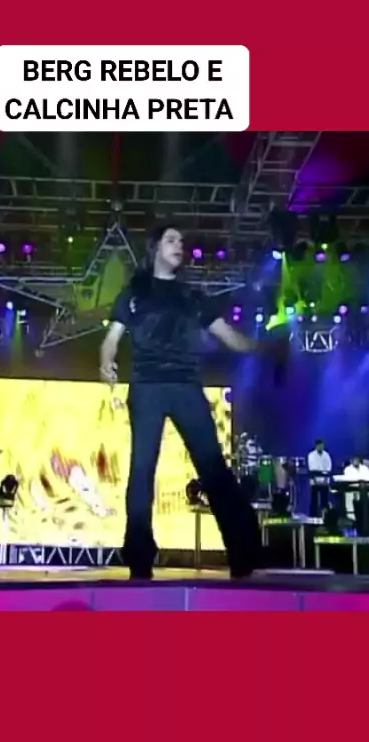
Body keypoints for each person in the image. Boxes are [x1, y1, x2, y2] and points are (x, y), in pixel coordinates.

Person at [99, 223, 288, 580]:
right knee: (142, 470)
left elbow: (231, 338)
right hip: (147, 386)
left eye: (181, 241)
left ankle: (244, 554)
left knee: (213, 468)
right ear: (155, 249)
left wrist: (264, 348)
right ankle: (139, 558)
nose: (179, 245)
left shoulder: (192, 296)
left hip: (186, 386)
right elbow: (111, 339)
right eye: (171, 240)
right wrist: (105, 362)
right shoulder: (134, 294)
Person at [307, 439, 332, 518]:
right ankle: (313, 516)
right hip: (314, 481)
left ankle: (325, 516)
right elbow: (312, 468)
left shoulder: (327, 455)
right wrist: (317, 475)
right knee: (314, 500)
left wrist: (325, 476)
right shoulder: (311, 455)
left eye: (322, 445)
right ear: (316, 446)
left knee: (324, 500)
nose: (321, 447)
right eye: (319, 446)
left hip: (324, 481)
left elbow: (329, 467)